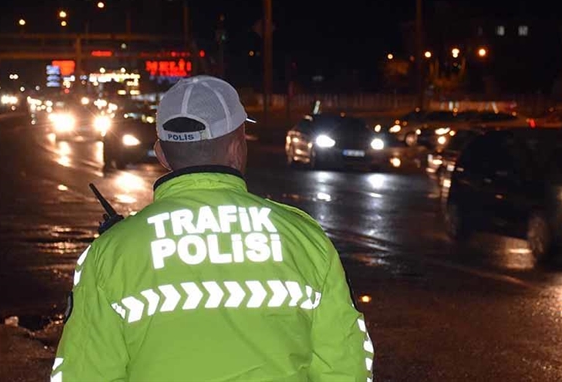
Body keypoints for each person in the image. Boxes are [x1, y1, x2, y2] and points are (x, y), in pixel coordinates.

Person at [53, 76, 373, 381]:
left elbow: (84, 374)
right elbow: (346, 367)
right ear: (237, 146)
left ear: (162, 154)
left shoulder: (110, 255)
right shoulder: (305, 239)